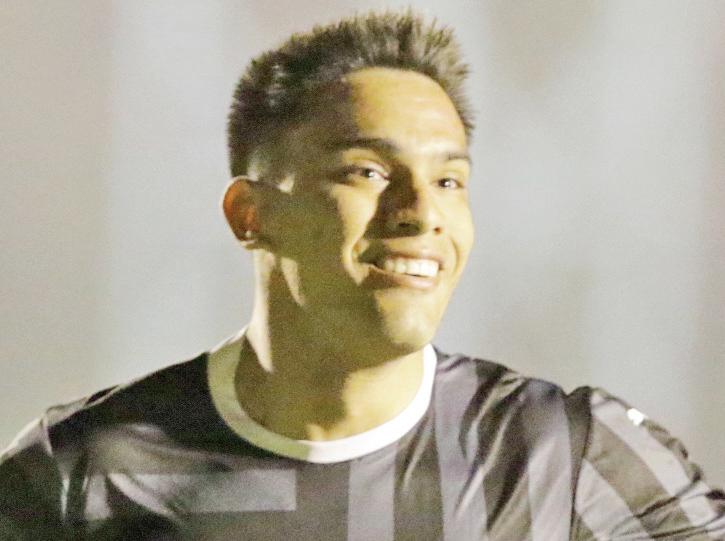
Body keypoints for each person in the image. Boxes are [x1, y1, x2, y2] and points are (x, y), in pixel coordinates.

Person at [1, 10, 723, 541]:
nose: (422, 213)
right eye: (368, 171)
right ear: (251, 214)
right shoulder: (80, 473)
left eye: (448, 181)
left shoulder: (562, 455)